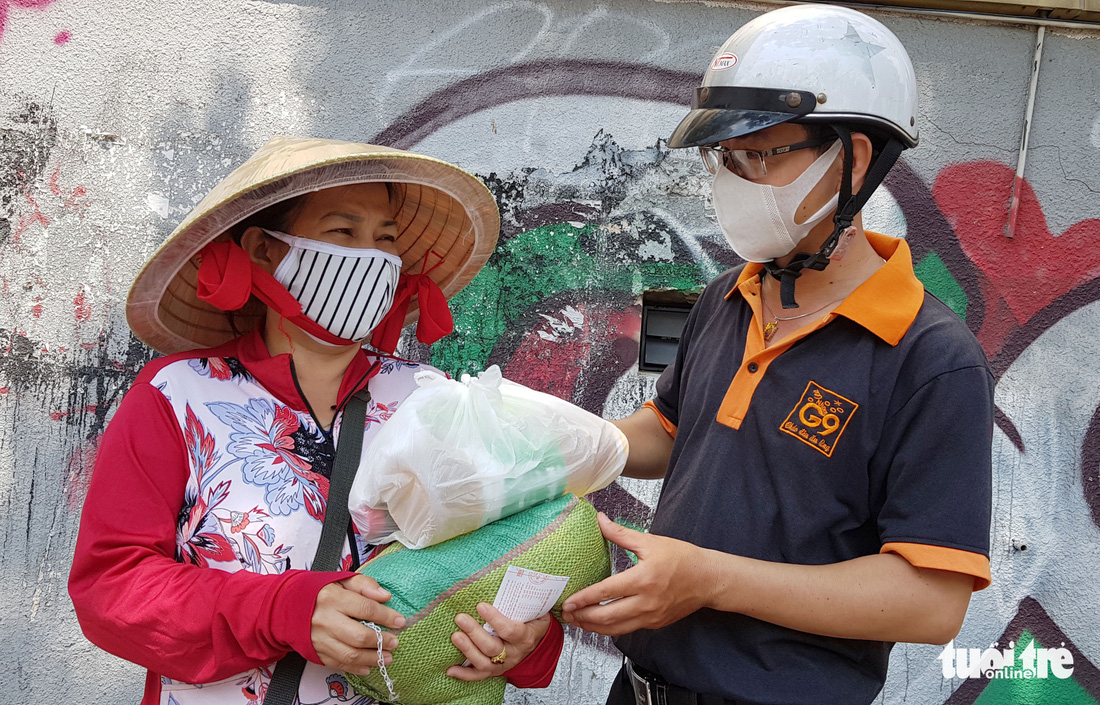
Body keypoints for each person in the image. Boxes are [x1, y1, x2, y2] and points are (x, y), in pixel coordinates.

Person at [561, 6, 994, 705]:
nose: (732, 179)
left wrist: (708, 578)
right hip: (639, 689)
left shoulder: (932, 359)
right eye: (724, 158)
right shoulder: (727, 296)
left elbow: (930, 601)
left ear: (852, 159)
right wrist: (568, 441)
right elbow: (672, 431)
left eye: (760, 155)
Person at [69, 137, 564, 704]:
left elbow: (499, 560)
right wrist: (287, 609)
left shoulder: (435, 402)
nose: (371, 258)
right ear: (261, 250)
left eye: (385, 240)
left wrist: (526, 640)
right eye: (342, 233)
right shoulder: (176, 396)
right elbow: (112, 590)